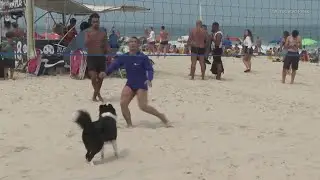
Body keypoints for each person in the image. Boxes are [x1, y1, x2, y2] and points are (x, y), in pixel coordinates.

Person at [100, 37, 171, 128]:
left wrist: (149, 79)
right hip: (130, 83)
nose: (132, 43)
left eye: (135, 42)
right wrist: (106, 73)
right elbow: (114, 65)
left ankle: (162, 116)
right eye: (131, 42)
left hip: (141, 83)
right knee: (123, 103)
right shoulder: (125, 56)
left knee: (143, 106)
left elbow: (149, 69)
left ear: (138, 45)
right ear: (128, 44)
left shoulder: (143, 57)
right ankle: (129, 124)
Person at [85, 13, 109, 102]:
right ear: (91, 22)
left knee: (101, 78)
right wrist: (92, 38)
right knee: (93, 77)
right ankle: (97, 94)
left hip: (101, 57)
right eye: (94, 22)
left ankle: (95, 95)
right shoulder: (88, 32)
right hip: (91, 57)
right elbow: (86, 44)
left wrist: (110, 53)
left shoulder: (103, 33)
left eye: (97, 21)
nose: (96, 23)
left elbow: (106, 45)